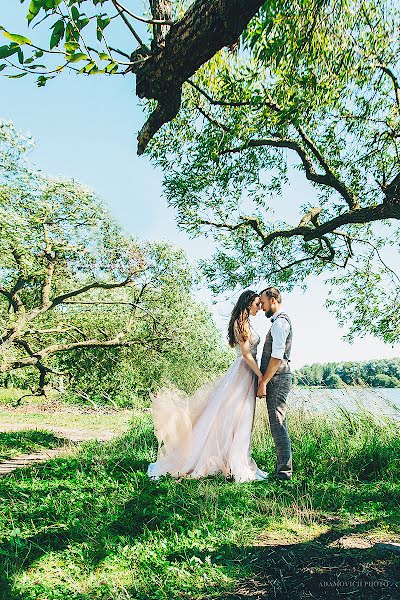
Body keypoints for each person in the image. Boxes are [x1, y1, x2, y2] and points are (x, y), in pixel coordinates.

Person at [147, 290, 268, 483]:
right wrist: (262, 376)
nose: (259, 308)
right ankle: (232, 462)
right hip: (244, 372)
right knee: (235, 416)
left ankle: (232, 458)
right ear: (247, 304)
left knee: (238, 418)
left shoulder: (245, 322)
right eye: (256, 304)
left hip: (247, 374)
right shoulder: (241, 323)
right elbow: (246, 354)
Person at [257, 287, 293, 481]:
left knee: (278, 424)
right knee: (277, 424)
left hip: (277, 379)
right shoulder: (277, 323)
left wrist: (263, 382)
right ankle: (282, 470)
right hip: (276, 378)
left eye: (262, 302)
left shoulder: (280, 323)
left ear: (273, 300)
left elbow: (277, 357)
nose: (261, 306)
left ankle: (284, 474)